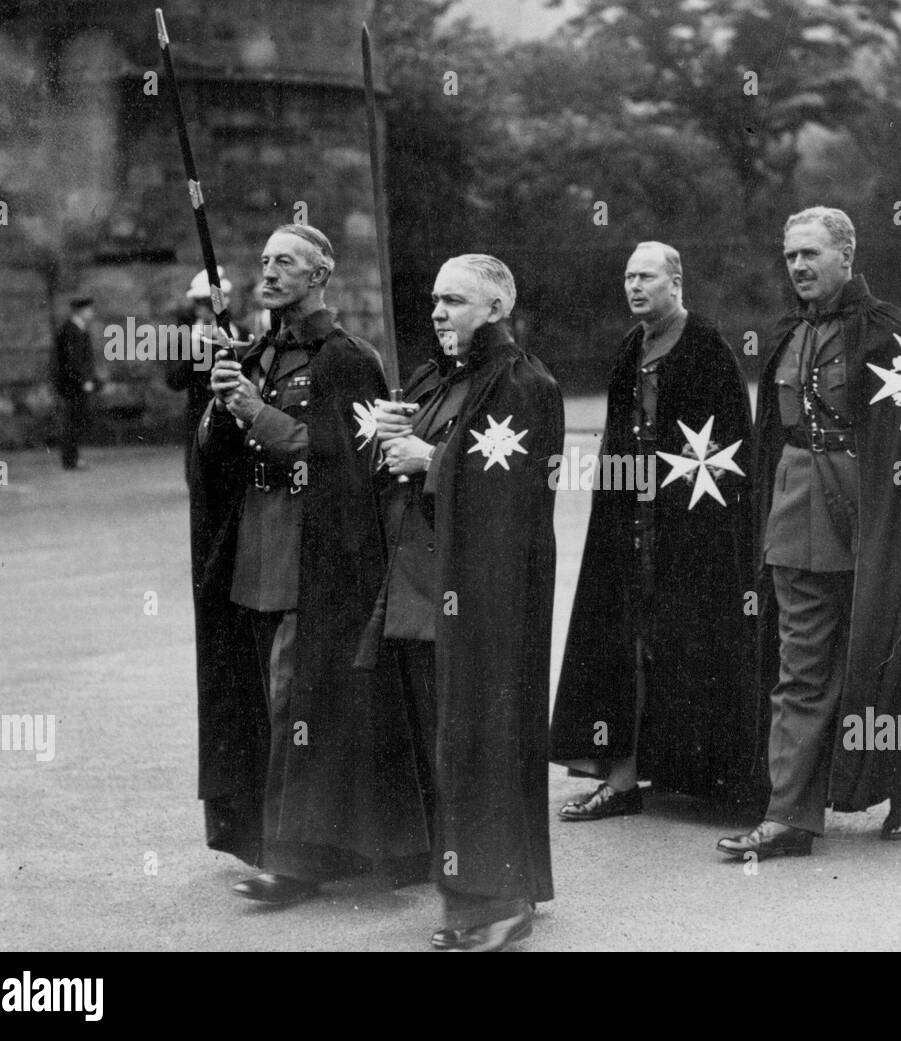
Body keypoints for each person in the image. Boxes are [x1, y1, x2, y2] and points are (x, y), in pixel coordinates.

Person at [188, 223, 430, 904]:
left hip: (316, 559)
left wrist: (254, 410)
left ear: (320, 273)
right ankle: (275, 839)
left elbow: (345, 460)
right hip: (254, 559)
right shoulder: (258, 351)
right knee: (267, 702)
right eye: (264, 260)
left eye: (286, 262)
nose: (269, 272)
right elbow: (218, 456)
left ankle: (298, 861)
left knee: (297, 699)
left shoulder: (347, 357)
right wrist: (221, 402)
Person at [717, 206, 901, 860]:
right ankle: (788, 815)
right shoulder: (786, 332)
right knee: (798, 671)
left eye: (812, 254)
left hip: (875, 522)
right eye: (791, 254)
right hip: (798, 521)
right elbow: (772, 437)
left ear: (847, 259)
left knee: (891, 655)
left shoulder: (893, 333)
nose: (798, 265)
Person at [361, 253, 563, 952]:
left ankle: (501, 899)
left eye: (455, 301)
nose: (439, 312)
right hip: (422, 593)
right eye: (436, 300)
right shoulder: (440, 380)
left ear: (496, 308)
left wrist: (430, 460)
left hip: (484, 600)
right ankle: (474, 886)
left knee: (484, 746)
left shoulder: (522, 384)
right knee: (447, 750)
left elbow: (512, 491)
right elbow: (403, 464)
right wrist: (391, 440)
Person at [550, 241, 758, 819]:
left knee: (689, 642)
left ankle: (705, 779)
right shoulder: (627, 351)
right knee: (622, 645)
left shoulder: (708, 350)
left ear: (676, 283)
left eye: (646, 277)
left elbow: (729, 450)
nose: (634, 287)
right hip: (629, 526)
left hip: (691, 530)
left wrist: (702, 528)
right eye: (628, 277)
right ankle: (620, 780)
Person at [165, 267, 249, 475]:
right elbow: (174, 380)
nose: (209, 312)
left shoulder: (242, 334)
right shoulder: (185, 337)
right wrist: (196, 352)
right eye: (205, 305)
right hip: (200, 413)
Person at [52, 296, 97, 470]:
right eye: (89, 310)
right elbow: (74, 360)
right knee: (72, 422)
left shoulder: (76, 329)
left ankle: (73, 458)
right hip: (73, 385)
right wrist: (84, 380)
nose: (91, 313)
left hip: (74, 383)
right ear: (81, 311)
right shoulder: (72, 330)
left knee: (75, 421)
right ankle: (70, 459)